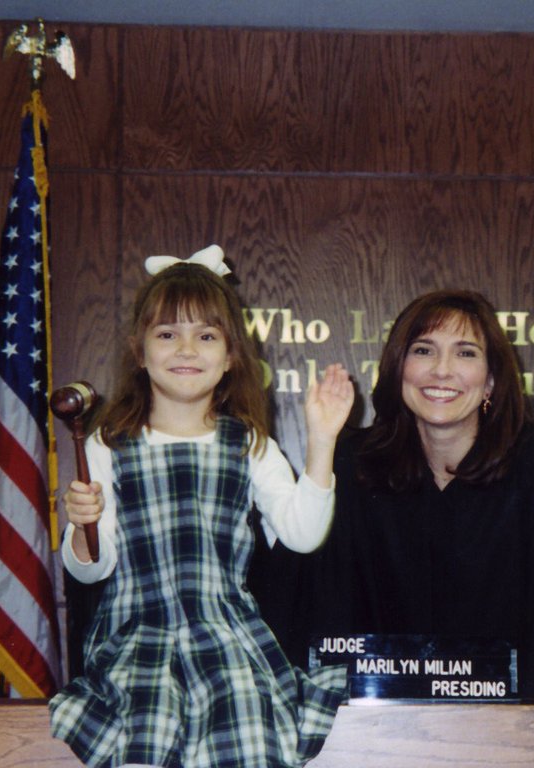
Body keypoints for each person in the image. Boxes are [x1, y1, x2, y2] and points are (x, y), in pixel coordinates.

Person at [48, 246, 353, 768]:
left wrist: (322, 441)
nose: (186, 348)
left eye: (206, 336)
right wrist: (82, 527)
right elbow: (92, 566)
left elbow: (302, 534)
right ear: (139, 351)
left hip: (227, 636)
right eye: (167, 334)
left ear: (232, 355)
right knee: (146, 727)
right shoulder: (107, 444)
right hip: (137, 638)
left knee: (247, 728)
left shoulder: (249, 443)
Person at [257, 289, 534, 700]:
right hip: (372, 722)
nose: (442, 371)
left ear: (491, 379)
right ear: (398, 369)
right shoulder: (352, 465)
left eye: (465, 353)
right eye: (423, 350)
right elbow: (293, 607)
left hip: (518, 721)